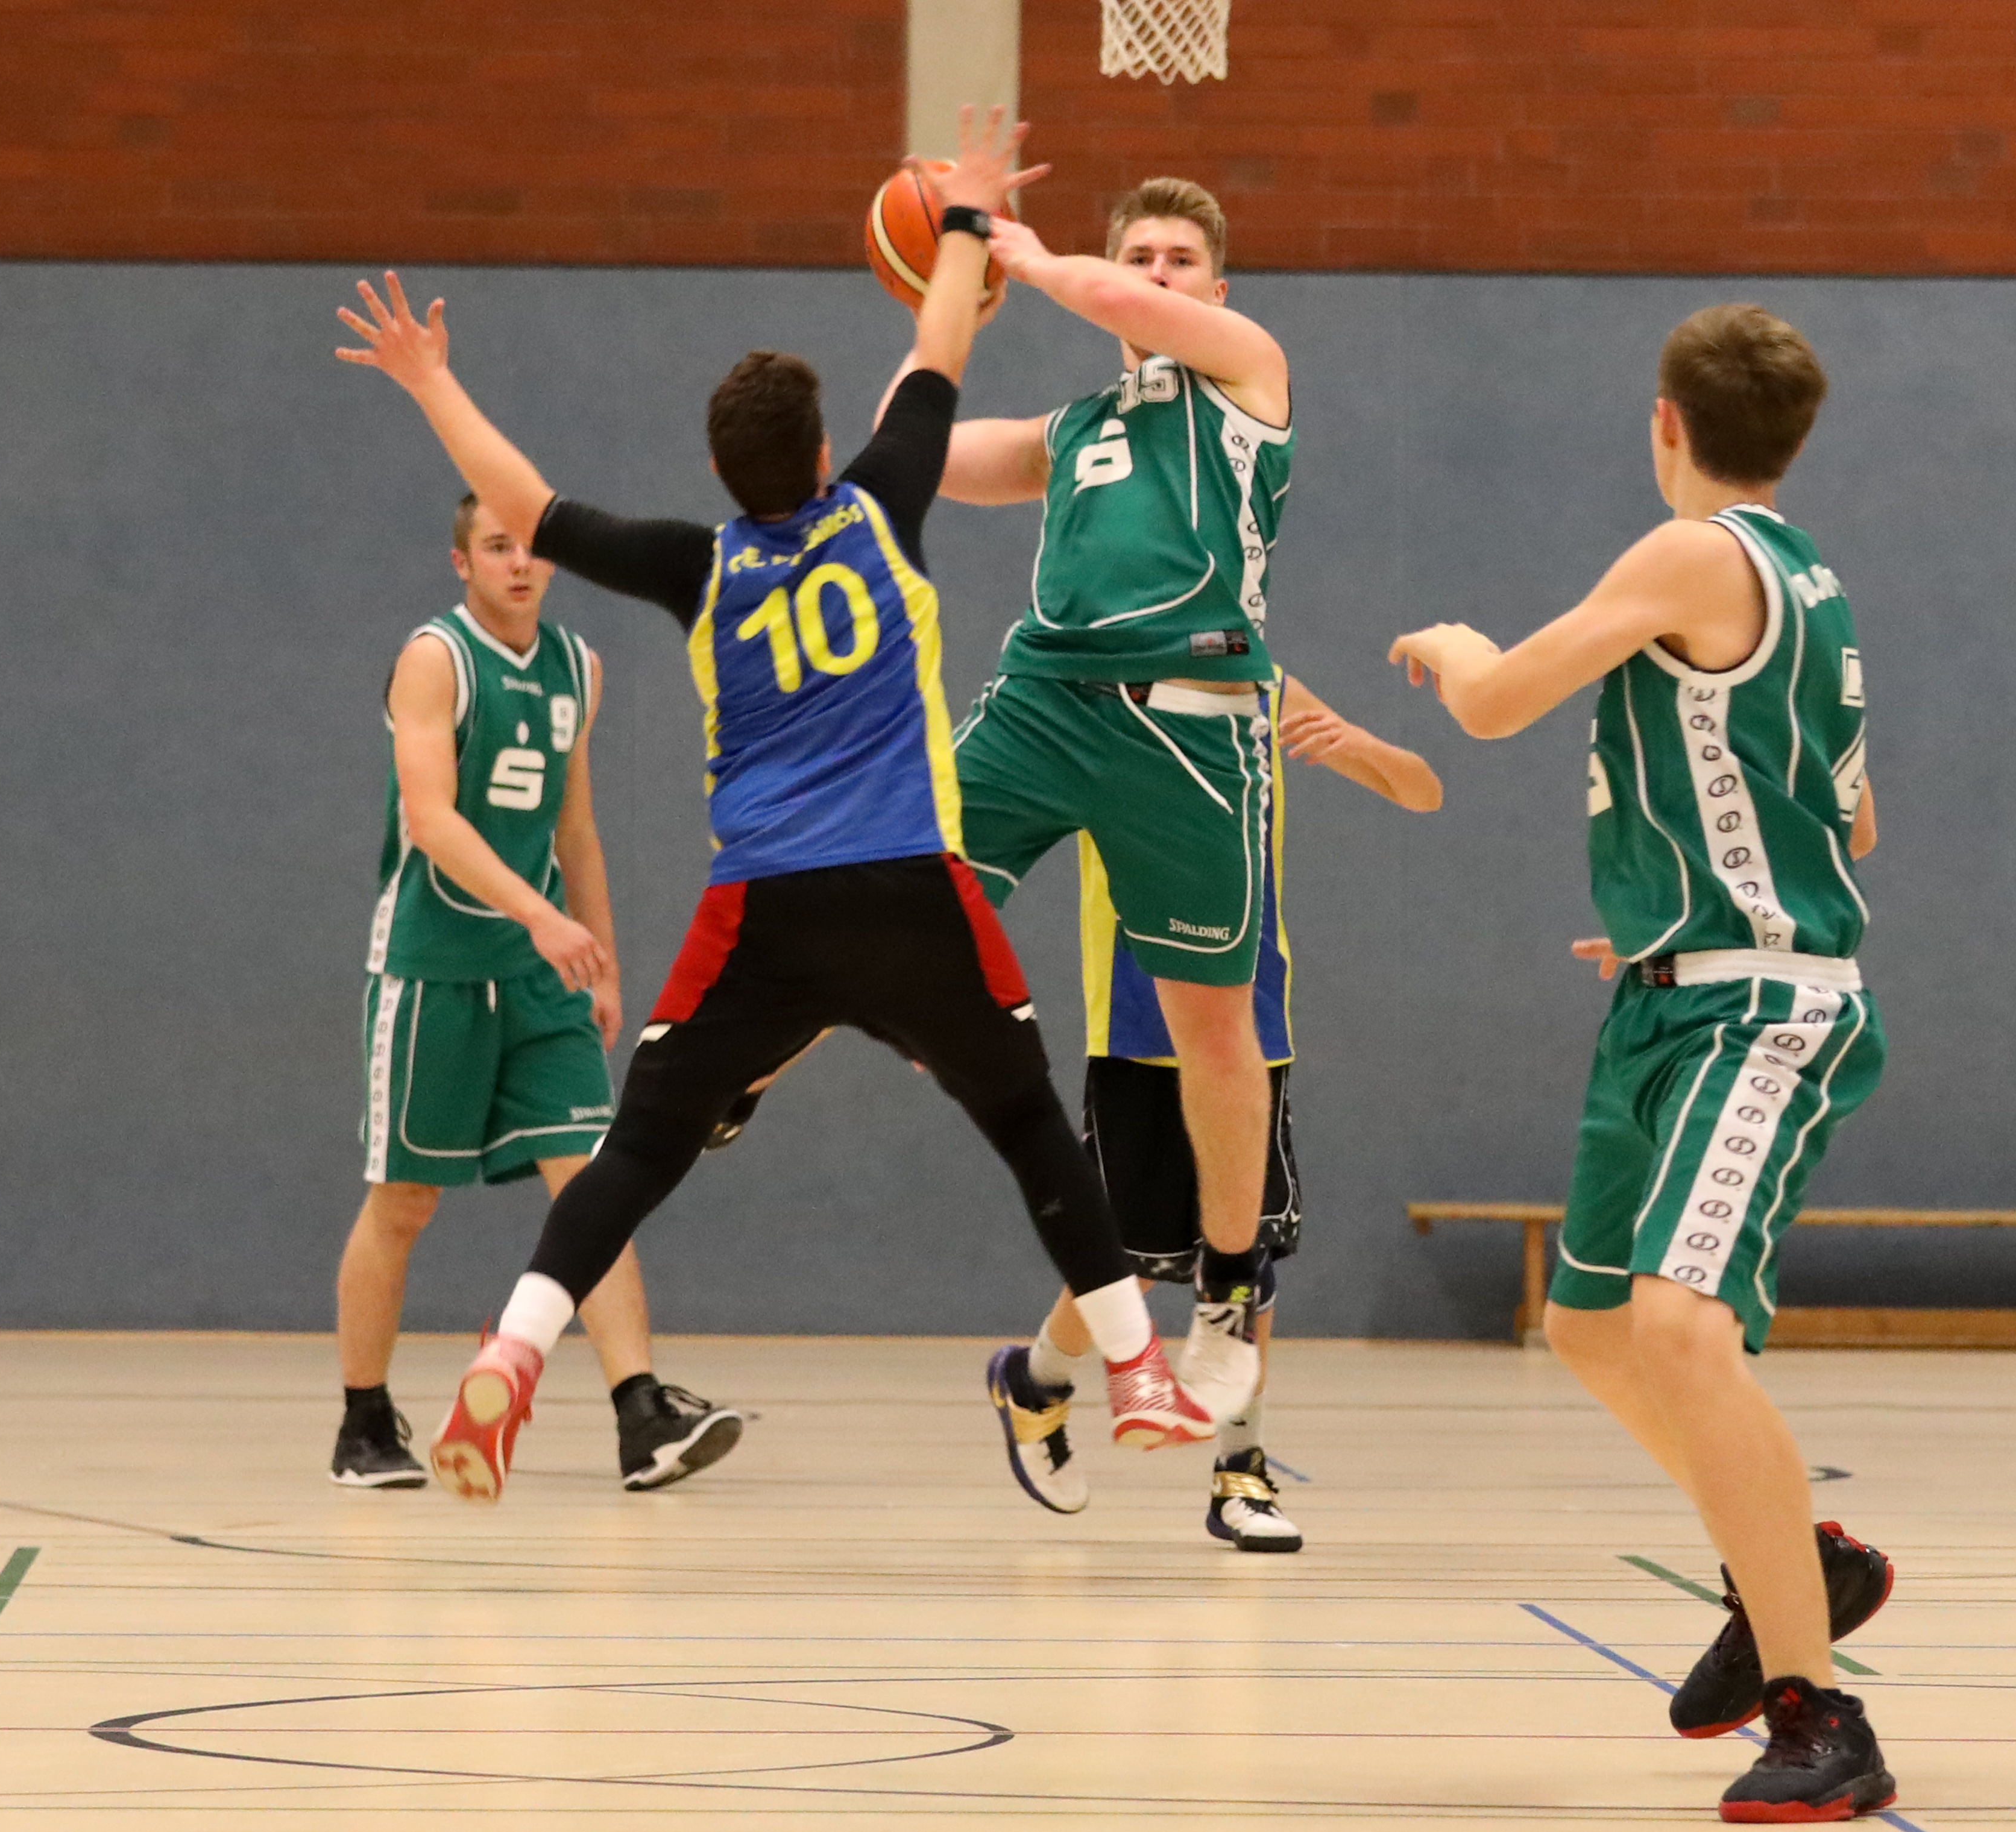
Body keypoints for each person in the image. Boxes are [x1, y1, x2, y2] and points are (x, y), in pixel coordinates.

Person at [333, 109, 1226, 1502]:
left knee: (639, 1149)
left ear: (719, 479)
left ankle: (511, 1353)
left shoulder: (695, 568)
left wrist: (429, 383)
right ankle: (1136, 1369)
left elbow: (529, 504)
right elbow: (938, 350)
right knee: (1027, 1123)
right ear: (823, 456)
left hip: (760, 907)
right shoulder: (877, 506)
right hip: (908, 889)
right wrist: (968, 214)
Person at [1388, 304, 1900, 1823]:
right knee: (1592, 1327)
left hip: (1759, 1012)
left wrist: (1448, 646)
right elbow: (1851, 818)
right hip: (1671, 991)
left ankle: (1819, 1712)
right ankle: (1790, 1563)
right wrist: (1675, 905)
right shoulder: (1810, 582)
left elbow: (1493, 703)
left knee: (1678, 1328)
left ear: (1665, 422)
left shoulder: (1692, 553)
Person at [931, 177, 1294, 1427]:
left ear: (1216, 290)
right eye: (1137, 254)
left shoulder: (1248, 374)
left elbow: (1097, 292)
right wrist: (951, 293)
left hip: (1189, 720)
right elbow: (916, 452)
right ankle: (733, 1076)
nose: (1154, 274)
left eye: (1178, 258)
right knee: (884, 887)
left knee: (1215, 1029)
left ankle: (1228, 1291)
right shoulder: (1073, 425)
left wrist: (1034, 258)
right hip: (1047, 702)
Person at [330, 495, 742, 1493]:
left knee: (594, 1180)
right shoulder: (435, 659)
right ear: (462, 561)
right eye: (496, 547)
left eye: (530, 547)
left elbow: (576, 828)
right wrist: (539, 917)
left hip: (541, 974)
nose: (519, 563)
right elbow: (431, 819)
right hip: (434, 965)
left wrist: (600, 958)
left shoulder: (576, 668)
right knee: (404, 1201)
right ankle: (363, 1418)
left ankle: (640, 1411)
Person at [986, 670, 1440, 1549]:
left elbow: (1423, 790)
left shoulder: (1264, 688)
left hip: (1249, 1027)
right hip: (1138, 1026)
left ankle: (1242, 1471)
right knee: (1130, 1262)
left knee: (1246, 1253)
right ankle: (1035, 1379)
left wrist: (1361, 747)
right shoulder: (1088, 693)